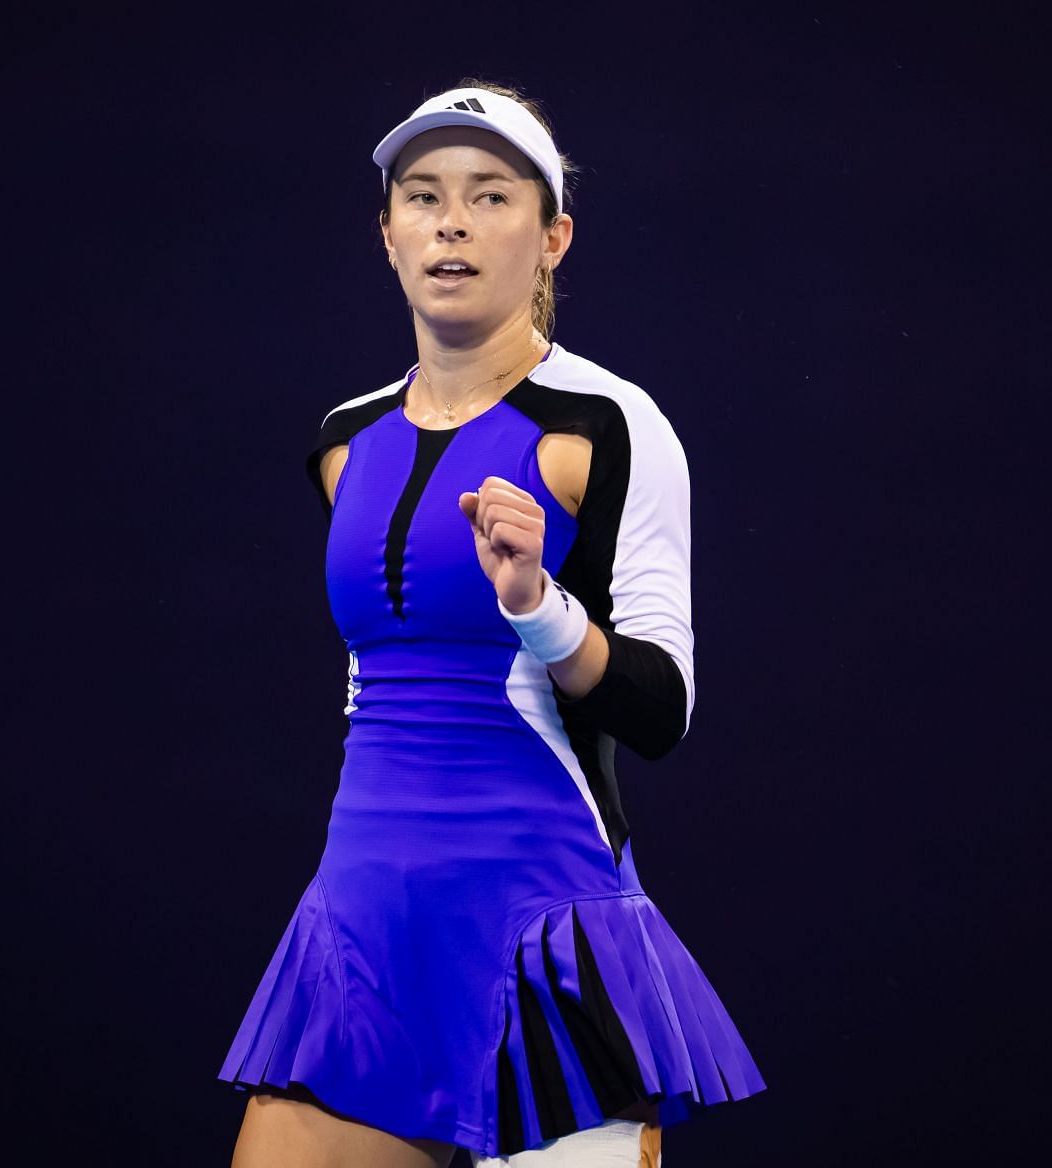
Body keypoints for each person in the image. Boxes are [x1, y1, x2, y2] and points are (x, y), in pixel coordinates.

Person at [219, 80, 765, 1167]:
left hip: (542, 933)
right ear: (387, 235)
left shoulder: (610, 425)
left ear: (553, 236)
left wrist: (536, 606)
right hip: (364, 927)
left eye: (491, 196)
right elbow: (373, 680)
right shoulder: (345, 441)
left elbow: (661, 710)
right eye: (422, 197)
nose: (452, 222)